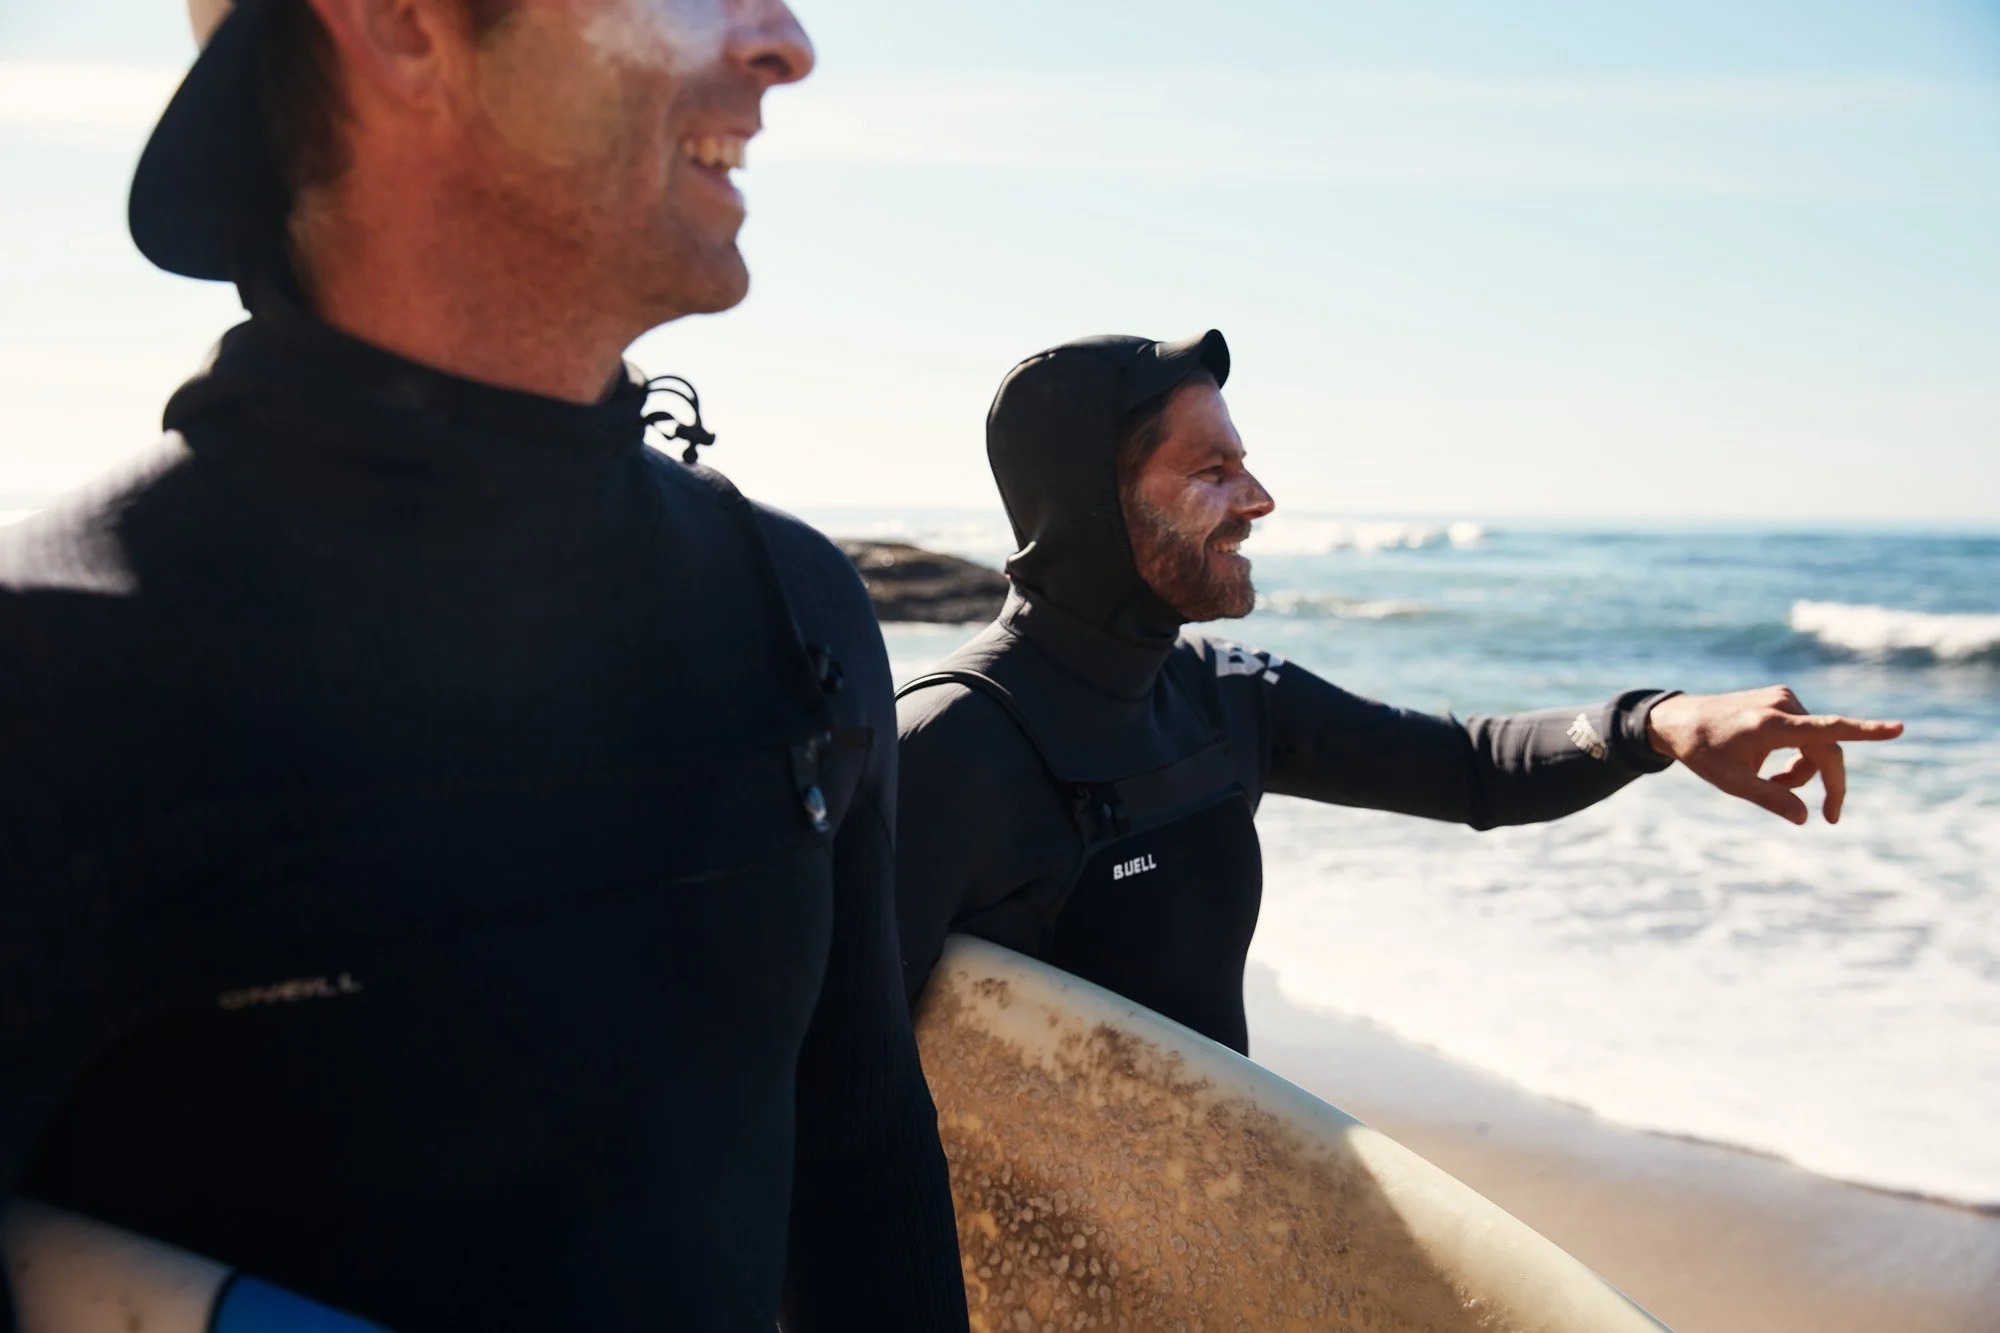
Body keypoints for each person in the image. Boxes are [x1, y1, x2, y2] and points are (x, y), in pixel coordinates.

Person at [0, 1, 967, 1329]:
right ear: (401, 23)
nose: (785, 42)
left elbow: (861, 1159)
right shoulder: (53, 673)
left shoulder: (790, 608)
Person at [893, 330, 1903, 1055]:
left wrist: (1653, 723)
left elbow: (1466, 769)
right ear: (1090, 504)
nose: (1257, 500)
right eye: (1211, 471)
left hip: (1191, 1246)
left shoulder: (1216, 696)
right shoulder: (945, 748)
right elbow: (838, 1090)